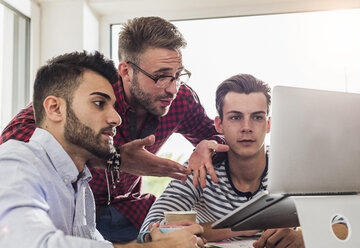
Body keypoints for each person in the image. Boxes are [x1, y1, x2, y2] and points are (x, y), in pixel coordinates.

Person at [0, 16, 227, 242]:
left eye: (178, 75)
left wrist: (206, 146)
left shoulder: (181, 101)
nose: (172, 88)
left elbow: (219, 137)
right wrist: (115, 160)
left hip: (126, 210)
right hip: (73, 205)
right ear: (126, 71)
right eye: (161, 77)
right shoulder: (94, 88)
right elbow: (17, 140)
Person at [139, 74, 305, 247]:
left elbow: (335, 221)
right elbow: (151, 230)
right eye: (235, 117)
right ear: (219, 124)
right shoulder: (201, 167)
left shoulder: (290, 167)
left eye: (257, 117)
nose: (246, 128)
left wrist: (303, 238)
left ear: (268, 124)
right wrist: (238, 227)